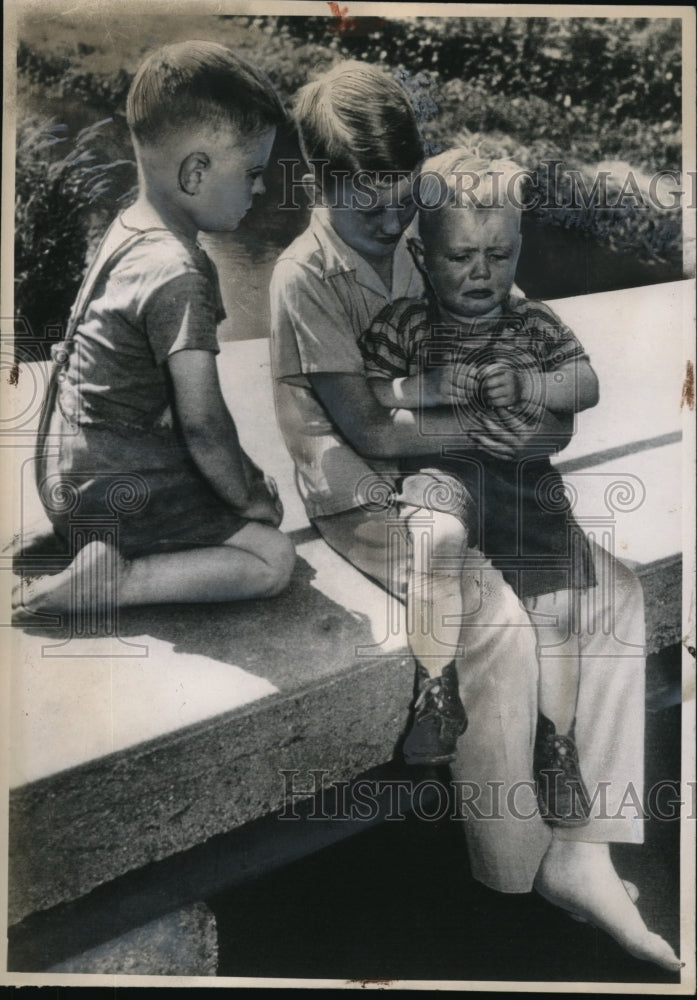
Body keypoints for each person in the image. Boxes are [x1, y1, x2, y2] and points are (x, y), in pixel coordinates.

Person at [269, 59, 681, 971]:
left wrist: (533, 408)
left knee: (608, 593)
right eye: (371, 209)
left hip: (462, 469)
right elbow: (366, 426)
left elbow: (524, 339)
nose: (392, 226)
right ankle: (515, 873)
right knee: (491, 619)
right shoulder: (305, 275)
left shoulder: (434, 221)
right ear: (321, 184)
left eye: (401, 203)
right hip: (363, 488)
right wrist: (486, 419)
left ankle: (584, 852)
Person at [12, 41, 295, 623]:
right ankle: (119, 578)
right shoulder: (180, 274)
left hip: (64, 478)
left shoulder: (127, 227)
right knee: (274, 558)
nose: (261, 190)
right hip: (116, 492)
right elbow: (203, 425)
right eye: (253, 173)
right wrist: (249, 495)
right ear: (195, 172)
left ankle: (79, 540)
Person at [360, 148, 599, 825]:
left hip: (524, 481)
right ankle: (437, 693)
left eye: (498, 255)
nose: (481, 272)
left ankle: (556, 743)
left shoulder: (534, 323)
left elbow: (585, 383)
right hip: (443, 470)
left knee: (557, 612)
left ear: (518, 248)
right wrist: (424, 386)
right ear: (422, 254)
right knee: (434, 540)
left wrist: (530, 383)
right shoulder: (404, 323)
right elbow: (371, 396)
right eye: (461, 255)